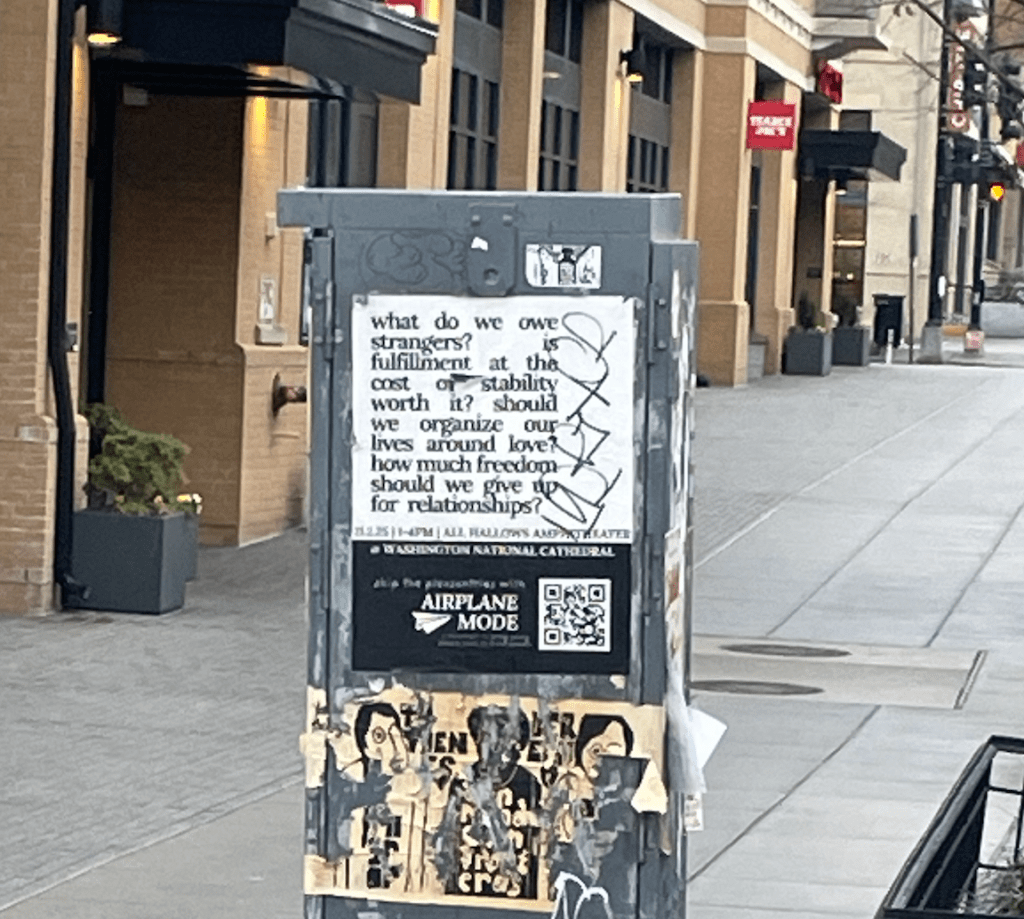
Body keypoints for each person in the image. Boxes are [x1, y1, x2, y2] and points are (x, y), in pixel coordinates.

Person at [444, 705, 542, 900]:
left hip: (513, 894)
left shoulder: (527, 783)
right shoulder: (463, 780)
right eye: (483, 736)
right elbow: (450, 841)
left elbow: (533, 847)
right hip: (468, 889)